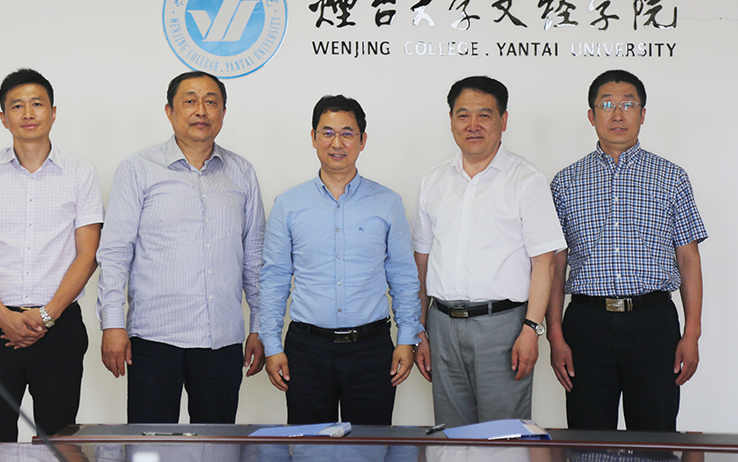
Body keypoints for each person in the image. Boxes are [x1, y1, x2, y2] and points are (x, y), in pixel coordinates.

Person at [96, 70, 265, 424]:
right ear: (170, 112)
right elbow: (114, 253)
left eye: (211, 102)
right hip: (155, 339)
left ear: (223, 112)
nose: (201, 110)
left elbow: (254, 260)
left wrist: (259, 327)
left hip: (221, 339)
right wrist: (112, 324)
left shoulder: (242, 173)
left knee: (218, 445)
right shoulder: (139, 169)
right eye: (190, 101)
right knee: (150, 446)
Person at [547, 69, 707, 431]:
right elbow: (555, 266)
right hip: (586, 324)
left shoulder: (672, 177)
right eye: (607, 105)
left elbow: (688, 258)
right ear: (591, 116)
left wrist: (692, 333)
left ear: (643, 114)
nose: (617, 114)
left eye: (628, 104)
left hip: (653, 322)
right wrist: (555, 334)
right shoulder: (565, 182)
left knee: (655, 437)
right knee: (588, 438)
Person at [411, 76, 566, 428]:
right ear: (451, 120)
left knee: (503, 437)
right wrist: (419, 330)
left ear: (503, 121)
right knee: (453, 437)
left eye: (484, 115)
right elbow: (421, 262)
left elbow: (545, 264)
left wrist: (531, 329)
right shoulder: (433, 181)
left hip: (504, 328)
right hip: (442, 326)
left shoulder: (526, 180)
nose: (473, 125)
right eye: (463, 115)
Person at [259, 95, 424, 425]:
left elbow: (404, 278)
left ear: (362, 140)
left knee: (369, 446)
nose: (337, 143)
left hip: (371, 350)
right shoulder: (288, 204)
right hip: (306, 350)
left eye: (347, 133)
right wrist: (272, 345)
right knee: (308, 447)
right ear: (313, 137)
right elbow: (274, 280)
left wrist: (407, 338)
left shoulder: (387, 203)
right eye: (327, 133)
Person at [0, 68, 103, 442]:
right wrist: (2, 316)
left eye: (37, 104)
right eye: (17, 106)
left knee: (58, 442)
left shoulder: (81, 174)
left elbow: (88, 255)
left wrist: (47, 315)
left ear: (53, 113)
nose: (28, 113)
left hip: (59, 327)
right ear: (3, 118)